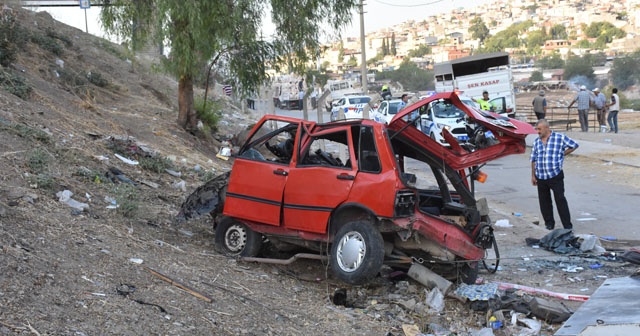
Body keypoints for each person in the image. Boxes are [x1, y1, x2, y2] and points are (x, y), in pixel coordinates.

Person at [530, 119, 579, 231]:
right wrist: (533, 175)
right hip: (541, 176)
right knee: (544, 202)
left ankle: (567, 225)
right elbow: (533, 159)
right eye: (536, 129)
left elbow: (574, 145)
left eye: (539, 129)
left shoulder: (559, 138)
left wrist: (562, 154)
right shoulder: (536, 142)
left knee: (560, 199)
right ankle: (549, 224)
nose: (537, 131)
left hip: (555, 175)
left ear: (547, 128)